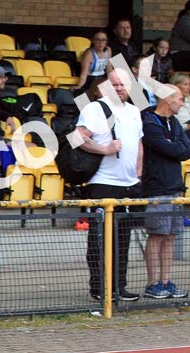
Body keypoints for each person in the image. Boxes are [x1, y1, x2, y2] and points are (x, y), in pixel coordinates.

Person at [75, 68, 143, 302]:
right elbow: (77, 137)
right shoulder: (96, 108)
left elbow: (139, 145)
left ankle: (118, 286)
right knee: (99, 238)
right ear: (107, 86)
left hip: (129, 185)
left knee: (123, 239)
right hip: (103, 183)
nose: (119, 88)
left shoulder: (134, 111)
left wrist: (138, 174)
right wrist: (104, 149)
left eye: (123, 85)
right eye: (115, 85)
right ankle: (99, 287)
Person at [140, 84, 190, 299]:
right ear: (168, 99)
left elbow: (184, 150)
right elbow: (172, 149)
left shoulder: (175, 123)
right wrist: (175, 146)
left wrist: (175, 146)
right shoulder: (150, 123)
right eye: (180, 99)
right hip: (157, 189)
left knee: (170, 236)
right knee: (157, 235)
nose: (183, 103)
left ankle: (166, 281)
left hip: (175, 188)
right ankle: (152, 283)